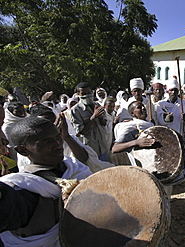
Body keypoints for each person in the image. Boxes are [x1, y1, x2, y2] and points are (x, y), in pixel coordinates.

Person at [0, 117, 92, 246]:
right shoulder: (23, 188)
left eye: (58, 137)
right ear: (22, 150)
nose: (58, 145)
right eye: (46, 143)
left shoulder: (75, 167)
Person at [70, 82, 109, 161]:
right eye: (84, 93)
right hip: (90, 148)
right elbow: (80, 132)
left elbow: (104, 123)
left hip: (102, 145)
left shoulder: (96, 104)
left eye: (89, 92)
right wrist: (93, 117)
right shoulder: (75, 110)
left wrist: (100, 117)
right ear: (78, 94)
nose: (87, 95)